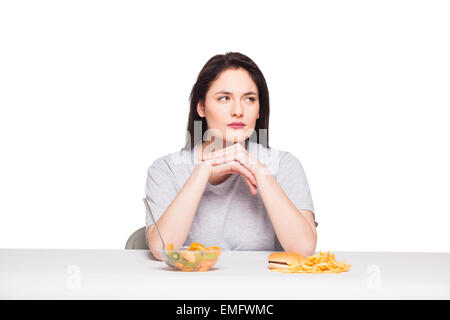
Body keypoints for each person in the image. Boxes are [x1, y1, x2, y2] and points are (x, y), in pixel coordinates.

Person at [145, 52, 317, 261]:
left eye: (249, 99)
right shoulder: (166, 169)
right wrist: (203, 170)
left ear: (258, 110)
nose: (238, 110)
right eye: (224, 98)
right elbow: (162, 249)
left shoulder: (283, 164)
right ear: (201, 107)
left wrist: (260, 172)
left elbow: (304, 248)